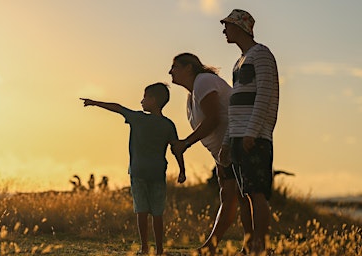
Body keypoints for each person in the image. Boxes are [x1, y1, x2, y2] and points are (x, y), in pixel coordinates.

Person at [80, 82, 186, 255]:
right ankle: (159, 250)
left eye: (145, 97)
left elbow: (117, 108)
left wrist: (94, 102)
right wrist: (182, 170)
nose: (142, 101)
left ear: (153, 100)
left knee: (141, 211)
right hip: (158, 173)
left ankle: (145, 248)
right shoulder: (168, 125)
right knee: (157, 213)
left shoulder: (138, 118)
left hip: (138, 172)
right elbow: (176, 149)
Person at [168, 53, 251, 255]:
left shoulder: (203, 81)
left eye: (175, 66)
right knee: (230, 196)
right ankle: (220, 246)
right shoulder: (193, 94)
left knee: (242, 196)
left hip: (237, 143)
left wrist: (186, 143)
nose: (170, 71)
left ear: (189, 68)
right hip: (224, 151)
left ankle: (252, 246)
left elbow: (213, 119)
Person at [218, 9, 280, 254]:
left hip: (254, 137)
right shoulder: (239, 61)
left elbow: (265, 95)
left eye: (228, 25)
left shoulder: (262, 55)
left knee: (256, 192)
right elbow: (235, 106)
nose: (224, 30)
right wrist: (226, 142)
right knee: (244, 195)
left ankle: (260, 248)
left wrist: (252, 132)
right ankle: (249, 246)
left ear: (240, 28)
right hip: (237, 137)